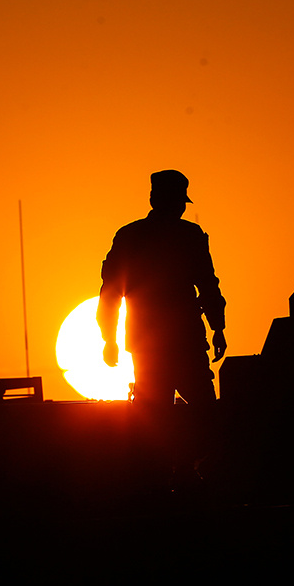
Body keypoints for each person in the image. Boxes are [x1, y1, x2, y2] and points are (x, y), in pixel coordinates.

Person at [97, 170, 226, 409]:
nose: (181, 208)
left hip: (152, 341)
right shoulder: (189, 236)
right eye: (179, 201)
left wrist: (110, 339)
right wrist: (217, 327)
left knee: (154, 416)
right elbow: (208, 284)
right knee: (202, 410)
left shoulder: (129, 236)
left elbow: (110, 293)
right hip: (182, 339)